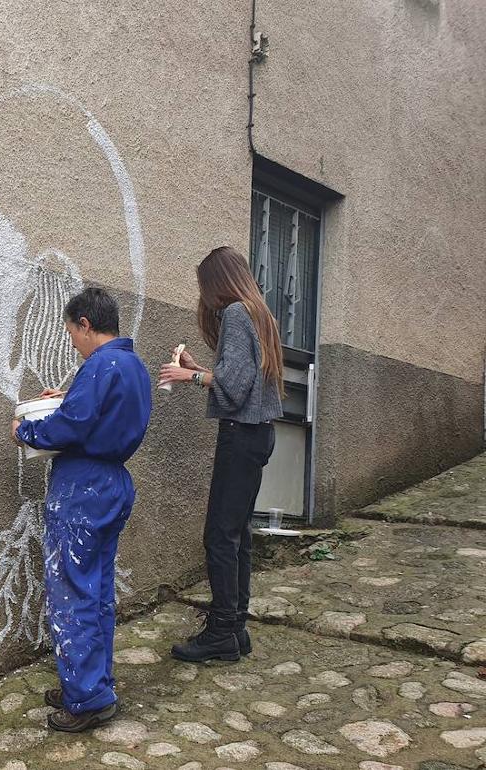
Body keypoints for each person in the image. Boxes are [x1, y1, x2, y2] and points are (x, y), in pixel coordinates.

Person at [10, 287, 152, 733]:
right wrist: (69, 396)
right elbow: (92, 413)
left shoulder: (100, 366)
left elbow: (72, 426)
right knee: (97, 589)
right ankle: (92, 685)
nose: (72, 342)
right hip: (112, 483)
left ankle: (86, 697)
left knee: (72, 592)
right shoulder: (133, 367)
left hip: (83, 488)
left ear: (86, 325)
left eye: (72, 333)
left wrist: (26, 430)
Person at [158, 245, 283, 663]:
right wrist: (200, 366)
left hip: (241, 435)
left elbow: (234, 386)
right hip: (260, 435)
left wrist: (189, 374)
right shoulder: (258, 313)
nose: (204, 295)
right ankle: (236, 629)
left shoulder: (234, 313)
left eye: (204, 286)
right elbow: (239, 374)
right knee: (238, 535)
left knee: (218, 536)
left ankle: (221, 632)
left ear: (216, 283)